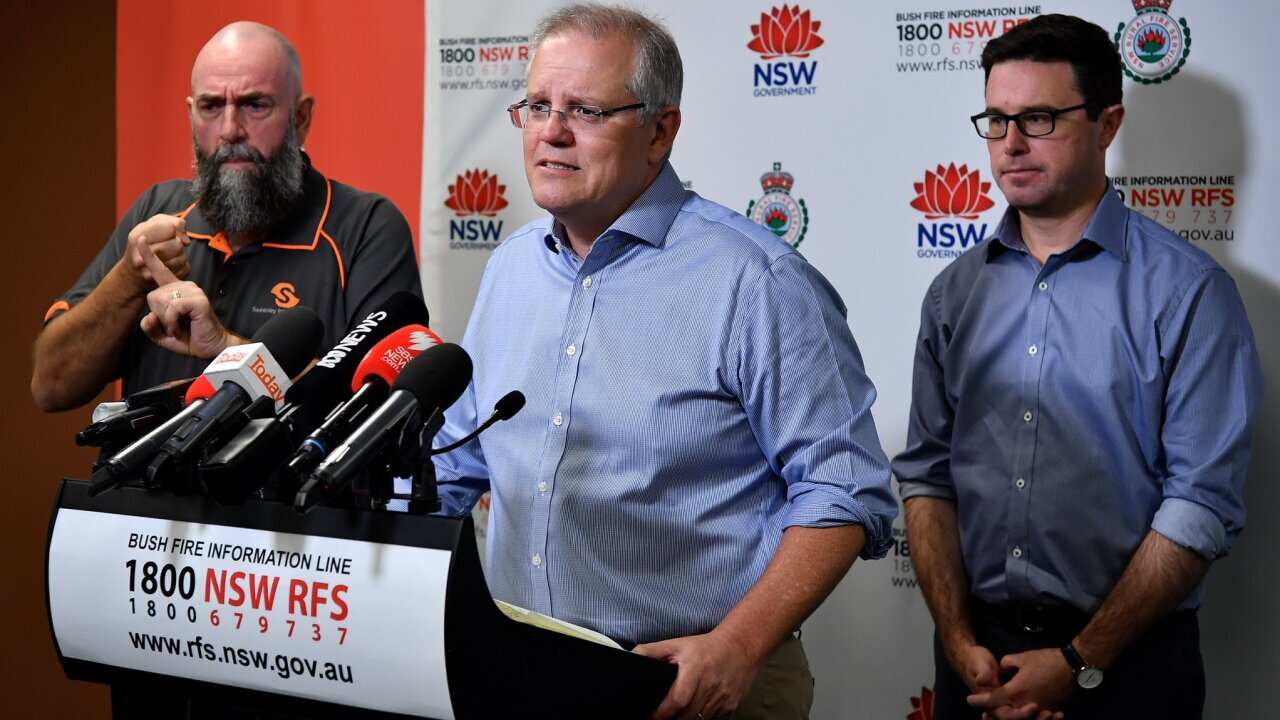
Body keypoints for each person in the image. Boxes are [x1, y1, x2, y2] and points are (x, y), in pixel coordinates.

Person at [432, 5, 897, 719]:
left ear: (661, 131)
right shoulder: (509, 270)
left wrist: (739, 647)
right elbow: (461, 464)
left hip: (690, 686)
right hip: (524, 671)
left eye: (584, 110)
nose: (551, 132)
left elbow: (845, 489)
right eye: (537, 106)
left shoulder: (755, 281)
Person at [893, 13, 1262, 720]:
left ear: (1108, 122)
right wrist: (956, 636)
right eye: (996, 120)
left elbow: (1201, 502)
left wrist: (1082, 660)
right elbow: (927, 476)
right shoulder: (954, 292)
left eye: (1039, 118)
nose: (1011, 144)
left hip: (1131, 667)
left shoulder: (1189, 294)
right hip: (978, 664)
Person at [31, 21, 421, 412]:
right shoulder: (156, 211)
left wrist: (226, 348)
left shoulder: (366, 227)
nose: (230, 130)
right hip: (141, 472)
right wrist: (129, 280)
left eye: (255, 105)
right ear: (191, 115)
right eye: (211, 106)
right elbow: (51, 386)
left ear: (300, 118)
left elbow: (376, 413)